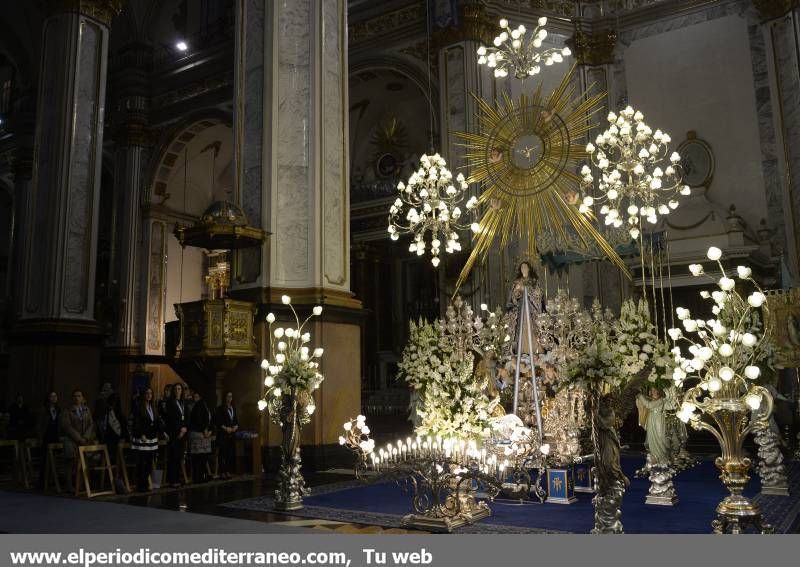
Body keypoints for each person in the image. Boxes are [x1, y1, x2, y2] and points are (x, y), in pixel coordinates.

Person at [59, 390, 96, 490]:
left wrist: (85, 437)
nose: (77, 398)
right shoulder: (67, 411)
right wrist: (79, 439)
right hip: (71, 440)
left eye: (79, 396)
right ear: (72, 398)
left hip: (84, 439)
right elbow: (67, 427)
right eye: (75, 396)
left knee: (84, 462)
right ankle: (69, 486)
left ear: (82, 398)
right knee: (70, 462)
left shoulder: (86, 410)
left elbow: (91, 425)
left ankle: (81, 485)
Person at [130, 388, 161, 492]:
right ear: (144, 395)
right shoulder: (139, 407)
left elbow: (156, 421)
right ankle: (140, 484)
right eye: (147, 393)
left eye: (151, 393)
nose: (149, 395)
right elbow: (136, 422)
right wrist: (140, 434)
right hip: (142, 438)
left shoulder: (153, 407)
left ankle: (145, 483)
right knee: (141, 462)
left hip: (151, 438)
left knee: (149, 462)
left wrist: (162, 432)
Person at [636, 387, 671, 465]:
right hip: (651, 421)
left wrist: (640, 396)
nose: (653, 391)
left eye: (655, 390)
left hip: (658, 421)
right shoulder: (651, 399)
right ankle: (654, 458)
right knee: (651, 439)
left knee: (659, 439)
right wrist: (639, 399)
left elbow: (649, 405)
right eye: (652, 390)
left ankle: (661, 458)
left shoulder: (661, 400)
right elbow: (643, 404)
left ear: (659, 391)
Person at [35, 392, 62, 489]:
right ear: (48, 398)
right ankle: (41, 483)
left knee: (54, 460)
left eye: (55, 396)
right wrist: (40, 437)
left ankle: (52, 481)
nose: (54, 398)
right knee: (44, 460)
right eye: (52, 396)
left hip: (55, 436)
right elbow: (39, 425)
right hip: (46, 436)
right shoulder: (43, 410)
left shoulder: (58, 409)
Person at [164, 383, 187, 487]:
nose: (178, 391)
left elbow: (186, 417)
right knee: (173, 457)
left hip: (183, 433)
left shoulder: (182, 402)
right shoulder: (170, 402)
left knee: (179, 457)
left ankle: (177, 478)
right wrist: (180, 430)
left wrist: (185, 428)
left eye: (180, 389)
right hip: (174, 433)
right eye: (177, 389)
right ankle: (172, 480)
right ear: (174, 391)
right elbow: (171, 419)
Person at [188, 391, 213, 483]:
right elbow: (199, 419)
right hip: (198, 433)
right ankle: (197, 477)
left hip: (204, 433)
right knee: (198, 457)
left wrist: (210, 430)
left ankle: (201, 476)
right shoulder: (199, 405)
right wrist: (205, 430)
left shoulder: (205, 404)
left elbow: (209, 419)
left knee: (203, 456)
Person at [215, 391, 239, 479]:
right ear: (225, 398)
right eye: (228, 396)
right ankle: (222, 472)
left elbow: (236, 420)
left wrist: (235, 427)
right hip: (223, 434)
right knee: (222, 454)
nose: (229, 398)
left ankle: (228, 471)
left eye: (231, 396)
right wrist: (226, 428)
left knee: (230, 454)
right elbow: (218, 421)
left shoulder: (233, 408)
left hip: (232, 434)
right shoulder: (220, 408)